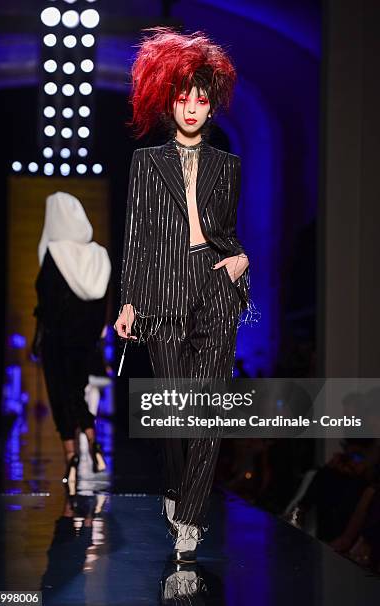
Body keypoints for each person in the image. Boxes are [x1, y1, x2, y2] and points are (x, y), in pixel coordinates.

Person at [114, 27, 258, 563]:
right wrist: (129, 301)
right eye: (183, 98)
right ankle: (178, 487)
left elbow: (231, 233)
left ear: (212, 104)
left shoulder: (229, 166)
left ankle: (191, 520)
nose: (192, 109)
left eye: (201, 99)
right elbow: (137, 236)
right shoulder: (146, 164)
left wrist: (243, 260)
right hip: (163, 292)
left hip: (216, 285)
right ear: (166, 99)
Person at [33, 192, 111, 495]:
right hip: (86, 340)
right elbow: (102, 300)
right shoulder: (99, 254)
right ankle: (94, 442)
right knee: (77, 392)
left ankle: (71, 458)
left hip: (56, 338)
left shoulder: (54, 251)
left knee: (60, 395)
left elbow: (47, 300)